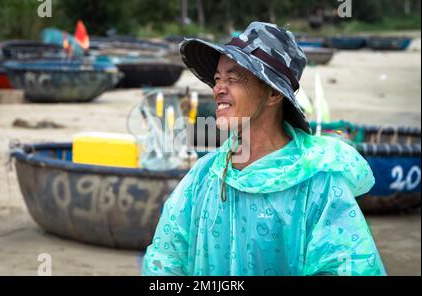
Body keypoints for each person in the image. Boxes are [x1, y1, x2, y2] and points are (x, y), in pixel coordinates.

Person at [142, 21, 386, 276]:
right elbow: (165, 257)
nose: (218, 89)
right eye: (217, 79)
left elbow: (349, 266)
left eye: (233, 78)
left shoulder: (318, 183)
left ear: (273, 93)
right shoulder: (205, 176)